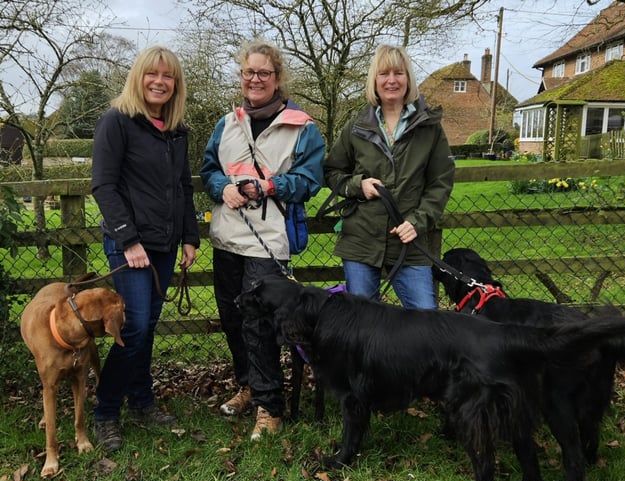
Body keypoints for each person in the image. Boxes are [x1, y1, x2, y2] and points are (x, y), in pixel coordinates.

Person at [200, 40, 325, 439]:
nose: (255, 79)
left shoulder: (302, 127)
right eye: (248, 73)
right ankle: (248, 385)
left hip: (268, 242)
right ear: (242, 76)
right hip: (227, 238)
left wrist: (269, 186)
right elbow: (207, 169)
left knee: (260, 325)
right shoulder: (227, 123)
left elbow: (310, 180)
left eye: (263, 73)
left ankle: (270, 405)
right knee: (233, 318)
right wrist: (223, 187)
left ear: (277, 78)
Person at [91, 46, 200, 452]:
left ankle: (141, 400)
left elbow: (183, 188)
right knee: (132, 329)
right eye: (152, 74)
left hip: (165, 245)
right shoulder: (117, 122)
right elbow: (103, 185)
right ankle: (106, 413)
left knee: (147, 327)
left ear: (176, 84)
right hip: (130, 247)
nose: (160, 81)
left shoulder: (176, 131)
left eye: (168, 76)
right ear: (139, 77)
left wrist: (190, 236)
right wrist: (128, 239)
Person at [323, 44, 454, 309]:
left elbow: (440, 182)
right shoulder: (356, 126)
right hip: (361, 241)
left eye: (398, 73)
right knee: (362, 324)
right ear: (374, 80)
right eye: (384, 74)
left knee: (424, 318)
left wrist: (417, 222)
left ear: (408, 79)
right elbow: (332, 171)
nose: (391, 80)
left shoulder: (429, 128)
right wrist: (358, 185)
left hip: (409, 242)